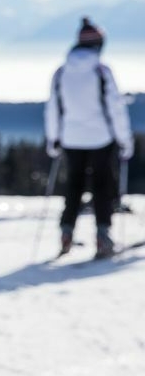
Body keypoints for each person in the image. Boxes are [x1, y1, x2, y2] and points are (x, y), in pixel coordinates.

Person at [45, 17, 133, 259]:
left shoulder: (61, 72)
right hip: (100, 138)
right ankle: (103, 235)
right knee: (102, 186)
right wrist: (124, 139)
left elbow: (54, 108)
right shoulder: (101, 71)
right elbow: (115, 108)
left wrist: (53, 138)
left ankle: (66, 231)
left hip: (70, 138)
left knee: (73, 186)